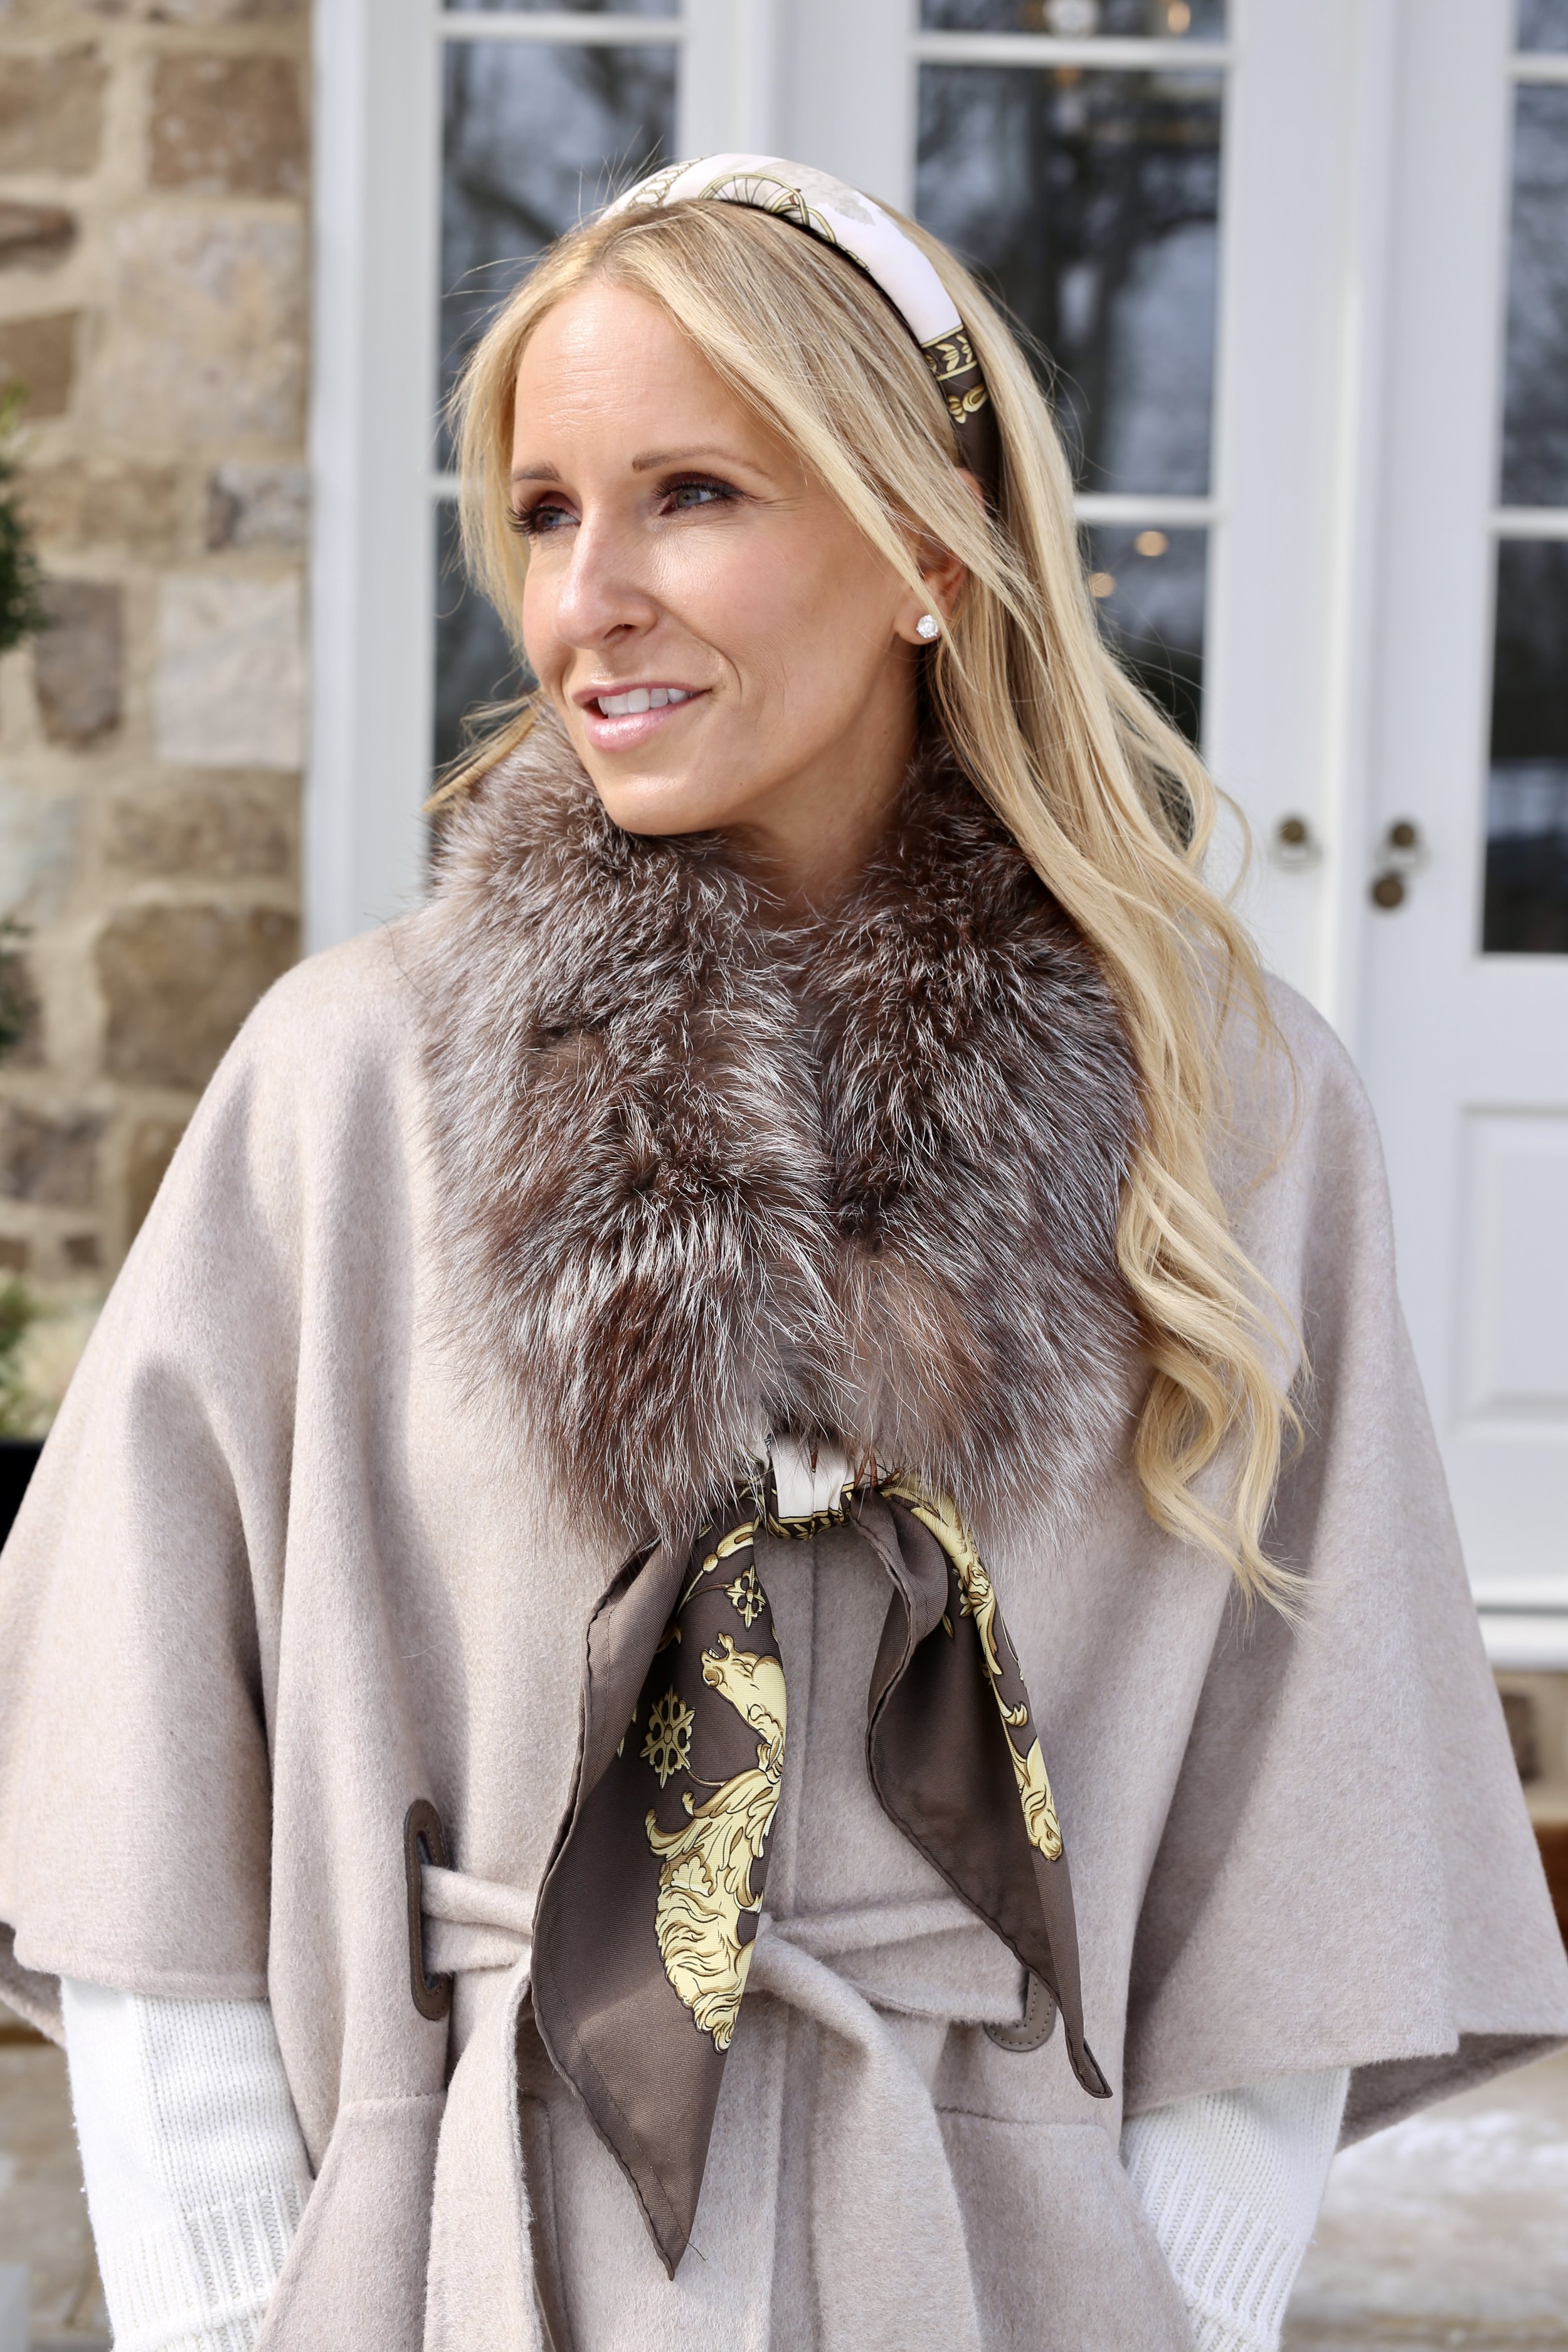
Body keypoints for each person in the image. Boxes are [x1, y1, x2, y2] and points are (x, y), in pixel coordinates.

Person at [0, 156, 1563, 2352]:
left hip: (999, 2274)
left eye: (692, 495)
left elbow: (1324, 1785)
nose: (588, 597)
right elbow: (123, 1757)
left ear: (931, 549)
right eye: (543, 513)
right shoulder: (350, 1087)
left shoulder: (1235, 1114)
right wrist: (240, 2297)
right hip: (452, 2261)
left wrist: (1161, 2294)